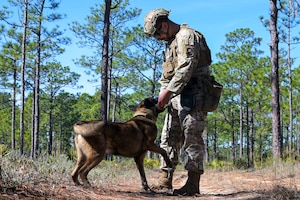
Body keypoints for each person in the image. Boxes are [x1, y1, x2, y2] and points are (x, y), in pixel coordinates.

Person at [144, 8, 212, 196]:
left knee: (192, 138)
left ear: (164, 24)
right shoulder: (171, 43)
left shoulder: (187, 36)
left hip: (194, 94)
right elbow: (168, 75)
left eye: (157, 33)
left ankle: (193, 183)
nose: (157, 38)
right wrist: (162, 96)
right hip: (176, 96)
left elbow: (185, 69)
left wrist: (168, 92)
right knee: (169, 137)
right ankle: (165, 179)